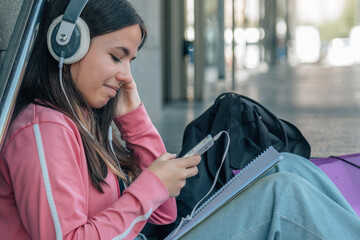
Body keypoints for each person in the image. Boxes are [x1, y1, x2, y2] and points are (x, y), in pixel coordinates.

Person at [0, 1, 360, 240]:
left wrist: (134, 118)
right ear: (68, 45)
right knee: (284, 195)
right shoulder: (42, 130)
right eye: (116, 57)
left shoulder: (81, 121)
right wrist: (150, 187)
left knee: (287, 167)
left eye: (131, 62)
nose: (125, 75)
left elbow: (164, 214)